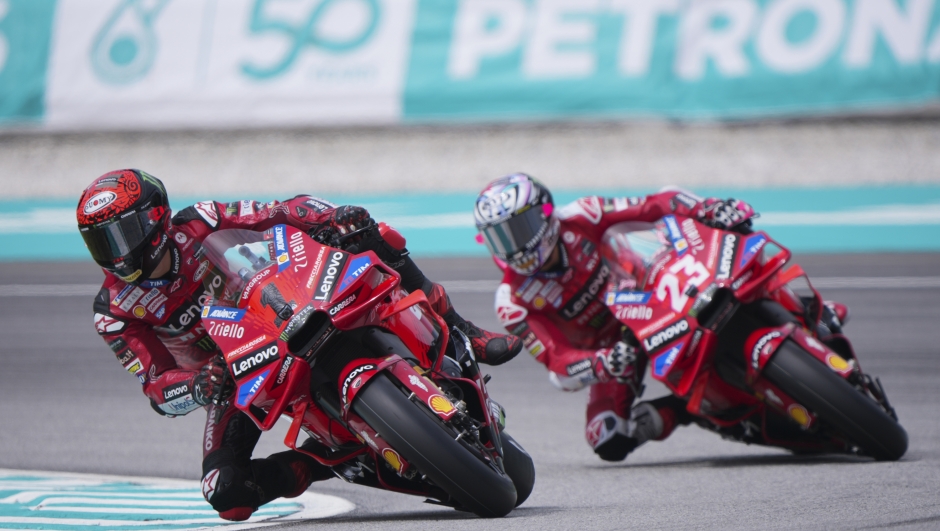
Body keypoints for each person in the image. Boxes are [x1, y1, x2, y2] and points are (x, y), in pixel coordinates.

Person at [78, 169, 522, 521]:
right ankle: (322, 460)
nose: (115, 252)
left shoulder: (201, 220)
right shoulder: (114, 309)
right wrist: (197, 386)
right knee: (225, 493)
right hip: (233, 373)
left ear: (155, 218)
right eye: (101, 241)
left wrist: (330, 218)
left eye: (121, 234)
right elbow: (156, 387)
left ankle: (465, 332)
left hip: (284, 301)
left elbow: (277, 210)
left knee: (372, 233)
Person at [473, 173, 849, 461]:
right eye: (501, 237)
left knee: (734, 234)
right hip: (619, 347)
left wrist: (709, 209)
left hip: (651, 285)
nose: (516, 246)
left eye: (519, 229)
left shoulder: (583, 214)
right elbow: (557, 362)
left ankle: (803, 309)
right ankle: (694, 411)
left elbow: (658, 202)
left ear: (546, 213)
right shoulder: (512, 299)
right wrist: (603, 362)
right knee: (606, 437)